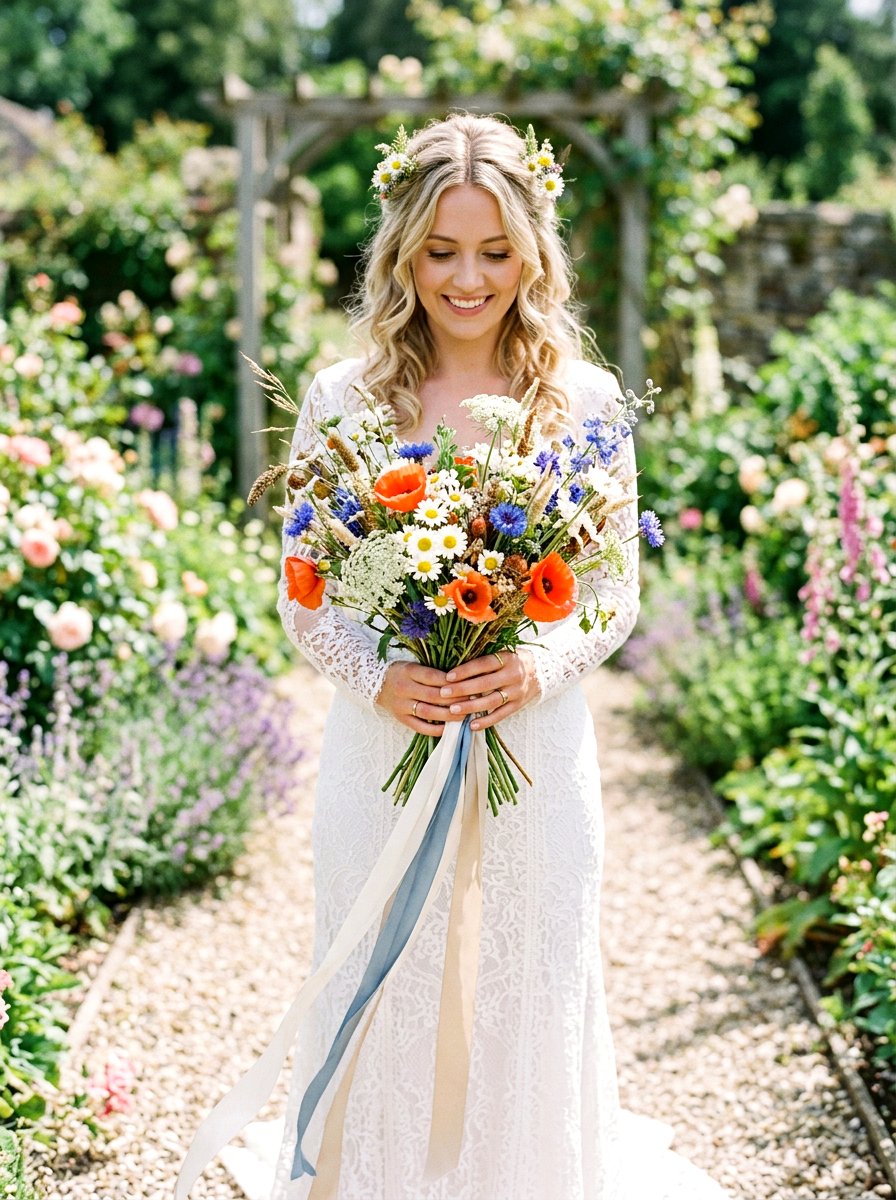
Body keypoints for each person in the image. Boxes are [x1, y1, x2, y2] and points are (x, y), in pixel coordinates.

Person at [183, 112, 732, 1200]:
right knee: (389, 975)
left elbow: (614, 592)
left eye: (492, 250)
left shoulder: (580, 404)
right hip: (383, 745)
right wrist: (378, 672)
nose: (467, 278)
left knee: (526, 981)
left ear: (531, 252)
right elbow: (304, 595)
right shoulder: (342, 401)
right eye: (440, 251)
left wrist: (535, 664)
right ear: (400, 253)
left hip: (533, 747)